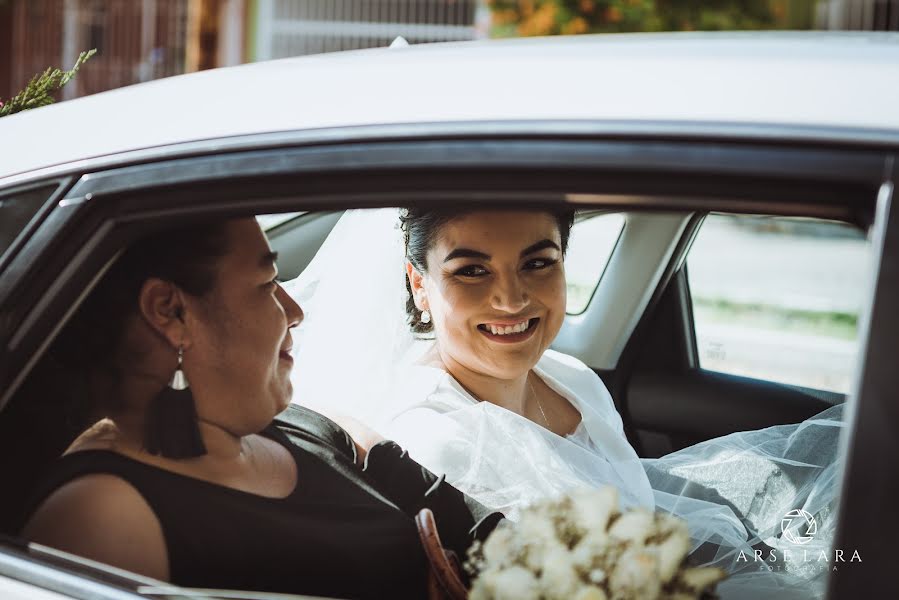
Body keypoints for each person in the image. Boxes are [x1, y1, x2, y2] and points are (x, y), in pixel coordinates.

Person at [288, 207, 844, 600]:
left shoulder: (570, 377)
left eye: (538, 262)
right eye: (471, 271)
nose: (511, 298)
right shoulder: (437, 442)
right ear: (419, 285)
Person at [17, 218, 503, 599]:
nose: (294, 310)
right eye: (268, 281)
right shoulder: (104, 516)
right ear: (171, 311)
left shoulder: (312, 426)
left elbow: (484, 532)